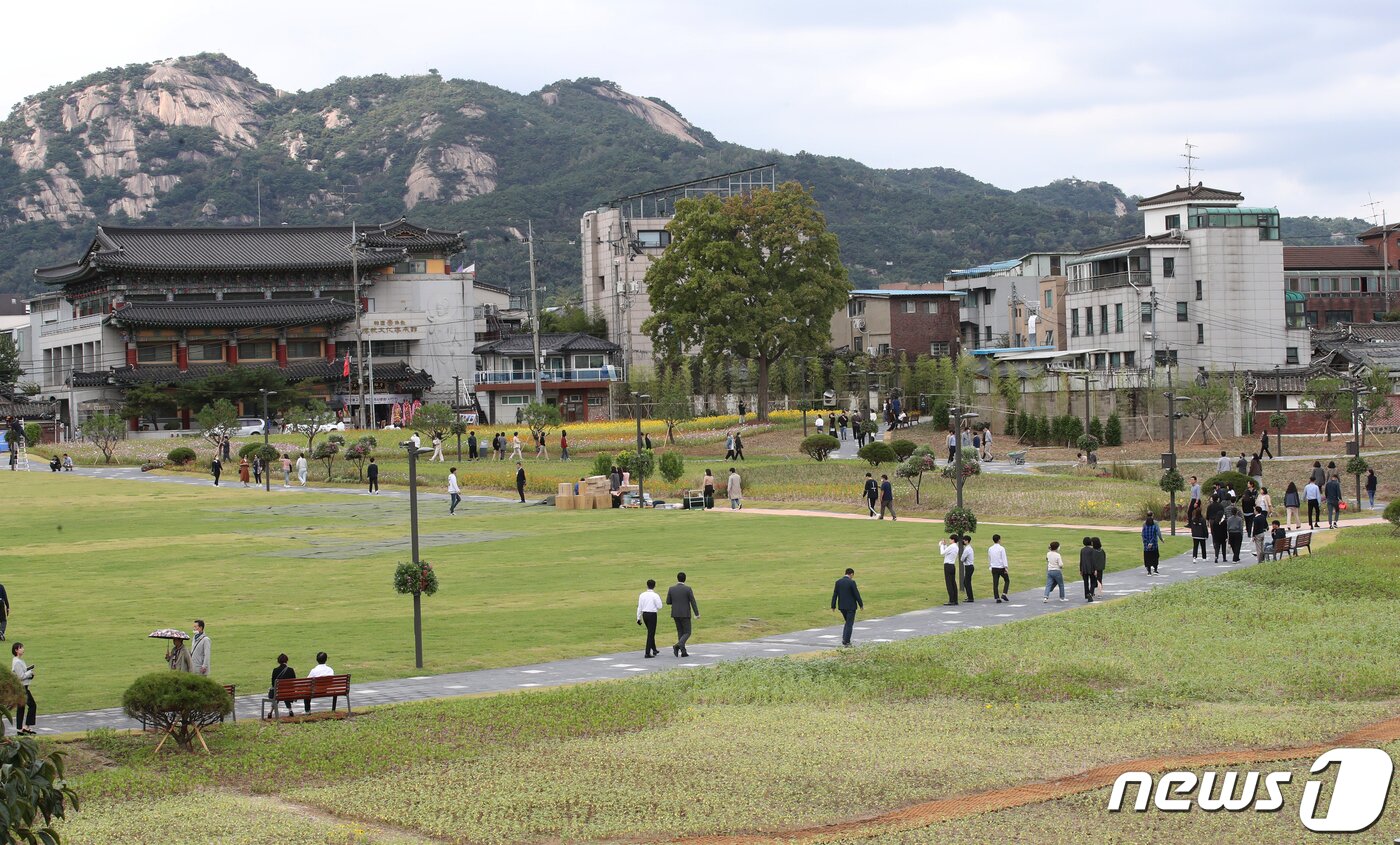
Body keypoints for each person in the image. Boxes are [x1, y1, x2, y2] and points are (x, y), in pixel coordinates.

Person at [666, 572, 699, 657]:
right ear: (685, 579)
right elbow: (693, 601)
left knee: (680, 632)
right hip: (685, 613)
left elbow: (668, 602)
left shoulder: (671, 589)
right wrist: (697, 613)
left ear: (677, 578)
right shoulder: (688, 589)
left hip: (675, 613)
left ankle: (683, 651)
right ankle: (677, 645)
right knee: (687, 632)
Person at [831, 568, 864, 647]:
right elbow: (856, 594)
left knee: (847, 622)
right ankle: (846, 641)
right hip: (851, 607)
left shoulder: (838, 582)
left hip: (842, 606)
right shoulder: (851, 582)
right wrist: (861, 604)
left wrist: (833, 605)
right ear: (851, 574)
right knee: (849, 623)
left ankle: (844, 638)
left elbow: (835, 594)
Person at [11, 643, 35, 735]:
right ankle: (26, 727)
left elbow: (23, 673)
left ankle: (20, 729)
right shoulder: (16, 662)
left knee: (21, 708)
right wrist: (29, 673)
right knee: (32, 705)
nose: (23, 649)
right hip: (21, 688)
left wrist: (30, 675)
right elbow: (21, 676)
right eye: (21, 648)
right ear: (16, 650)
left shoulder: (20, 661)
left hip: (23, 687)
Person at [636, 579, 663, 658]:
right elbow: (660, 606)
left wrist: (638, 617)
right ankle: (647, 652)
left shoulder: (642, 595)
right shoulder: (655, 595)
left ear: (647, 585)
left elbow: (639, 607)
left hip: (645, 614)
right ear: (654, 586)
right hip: (652, 614)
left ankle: (654, 649)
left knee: (651, 632)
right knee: (651, 633)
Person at [267, 654, 297, 718]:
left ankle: (270, 712)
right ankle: (290, 710)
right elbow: (294, 682)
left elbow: (273, 684)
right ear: (286, 660)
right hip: (289, 692)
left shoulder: (275, 670)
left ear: (278, 661)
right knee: (284, 693)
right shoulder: (291, 670)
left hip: (278, 692)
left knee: (279, 693)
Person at [938, 535, 961, 606]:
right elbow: (947, 553)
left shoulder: (951, 546)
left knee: (949, 583)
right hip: (952, 565)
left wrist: (941, 545)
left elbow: (942, 553)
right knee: (953, 583)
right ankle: (955, 599)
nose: (949, 540)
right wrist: (945, 545)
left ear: (953, 540)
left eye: (950, 539)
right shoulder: (956, 547)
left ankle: (951, 600)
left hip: (947, 565)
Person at [988, 535, 1010, 603]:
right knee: (1007, 580)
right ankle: (1004, 594)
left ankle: (997, 597)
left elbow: (989, 558)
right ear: (999, 540)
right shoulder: (1001, 548)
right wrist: (1006, 567)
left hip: (994, 567)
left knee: (995, 583)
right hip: (1001, 567)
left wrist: (990, 566)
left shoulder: (990, 548)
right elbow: (1004, 558)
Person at [1224, 496, 1245, 563]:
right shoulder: (1239, 519)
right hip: (1237, 532)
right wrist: (1242, 534)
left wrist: (1228, 533)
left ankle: (1236, 557)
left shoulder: (1229, 519)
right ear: (1236, 512)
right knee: (1238, 545)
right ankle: (1235, 558)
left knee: (1233, 545)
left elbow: (1227, 526)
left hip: (1231, 533)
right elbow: (1241, 527)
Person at [1207, 495, 1227, 563]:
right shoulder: (1220, 506)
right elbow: (1223, 513)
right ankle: (1224, 557)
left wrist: (1208, 521)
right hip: (1220, 520)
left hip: (1212, 521)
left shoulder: (1210, 506)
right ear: (1218, 499)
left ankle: (1215, 545)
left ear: (1212, 499)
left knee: (1214, 534)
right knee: (1222, 538)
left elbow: (1207, 515)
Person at [1078, 536, 1097, 601]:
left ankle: (1086, 594)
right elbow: (1094, 560)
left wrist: (1080, 569)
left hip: (1084, 568)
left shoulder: (1082, 550)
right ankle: (1091, 593)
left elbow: (1081, 560)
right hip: (1091, 568)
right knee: (1093, 581)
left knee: (1085, 582)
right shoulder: (1093, 550)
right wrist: (1095, 569)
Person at [959, 535, 975, 603]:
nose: (963, 541)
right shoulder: (969, 548)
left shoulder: (967, 549)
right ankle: (969, 596)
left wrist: (963, 559)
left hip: (968, 566)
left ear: (967, 541)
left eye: (964, 540)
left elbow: (962, 558)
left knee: (966, 582)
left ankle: (970, 597)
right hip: (970, 566)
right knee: (966, 582)